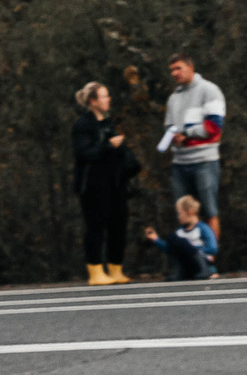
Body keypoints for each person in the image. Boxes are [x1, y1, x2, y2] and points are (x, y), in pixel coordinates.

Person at [72, 82, 137, 285]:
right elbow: (84, 153)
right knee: (96, 226)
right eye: (103, 96)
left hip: (114, 184)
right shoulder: (83, 125)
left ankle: (115, 267)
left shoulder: (109, 123)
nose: (108, 100)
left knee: (118, 224)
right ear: (93, 101)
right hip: (92, 185)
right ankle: (95, 270)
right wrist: (108, 146)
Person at [159, 55, 227, 244]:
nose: (175, 73)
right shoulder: (174, 98)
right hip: (180, 163)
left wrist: (186, 135)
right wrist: (172, 137)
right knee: (183, 213)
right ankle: (189, 261)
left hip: (205, 161)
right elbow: (169, 128)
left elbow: (214, 126)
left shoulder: (209, 90)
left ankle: (209, 260)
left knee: (209, 211)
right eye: (172, 70)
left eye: (178, 68)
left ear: (190, 67)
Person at [143, 195, 220, 281]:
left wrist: (191, 248)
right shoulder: (180, 232)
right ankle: (180, 272)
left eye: (180, 213)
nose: (178, 217)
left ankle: (205, 270)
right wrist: (156, 239)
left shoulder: (202, 228)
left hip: (201, 263)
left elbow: (212, 248)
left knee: (182, 243)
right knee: (173, 239)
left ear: (189, 212)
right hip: (186, 265)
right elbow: (170, 249)